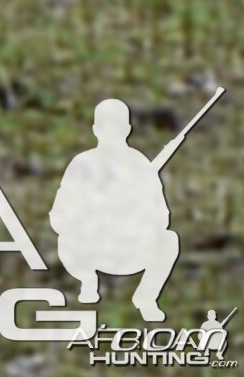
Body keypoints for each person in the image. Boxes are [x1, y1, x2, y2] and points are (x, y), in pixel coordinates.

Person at [53, 99, 182, 321]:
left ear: (128, 129)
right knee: (66, 241)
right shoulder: (82, 164)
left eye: (117, 125)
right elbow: (60, 215)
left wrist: (135, 211)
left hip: (128, 247)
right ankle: (88, 282)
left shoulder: (140, 165)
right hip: (90, 247)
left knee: (169, 241)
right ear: (95, 129)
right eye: (105, 125)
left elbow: (162, 217)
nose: (111, 132)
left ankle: (146, 297)